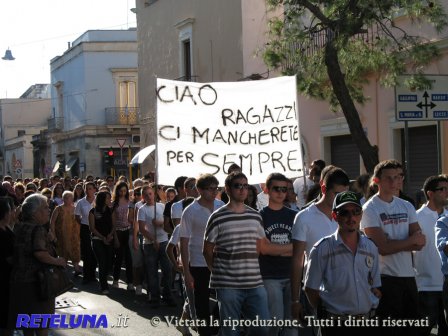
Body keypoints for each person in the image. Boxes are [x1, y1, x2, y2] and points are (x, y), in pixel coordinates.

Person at [203, 172, 288, 336]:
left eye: (245, 186)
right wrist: (218, 273)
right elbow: (207, 250)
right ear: (227, 189)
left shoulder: (255, 216)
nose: (242, 190)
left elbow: (260, 246)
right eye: (237, 186)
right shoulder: (217, 217)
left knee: (263, 328)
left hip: (254, 284)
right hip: (228, 286)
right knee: (231, 331)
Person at [361, 159, 425, 336]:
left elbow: (420, 244)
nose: (394, 181)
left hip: (409, 277)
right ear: (376, 181)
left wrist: (396, 242)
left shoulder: (406, 205)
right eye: (389, 178)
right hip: (385, 279)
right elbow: (382, 248)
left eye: (398, 177)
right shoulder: (369, 209)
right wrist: (409, 240)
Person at [304, 191, 381, 336]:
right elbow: (310, 289)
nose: (351, 217)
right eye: (344, 212)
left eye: (356, 211)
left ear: (361, 214)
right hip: (335, 326)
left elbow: (375, 286)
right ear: (335, 216)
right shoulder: (322, 249)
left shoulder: (371, 247)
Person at [290, 166, 350, 332]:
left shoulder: (349, 216)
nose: (341, 200)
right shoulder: (304, 217)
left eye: (344, 195)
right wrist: (295, 301)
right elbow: (297, 260)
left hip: (346, 290)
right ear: (324, 189)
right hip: (316, 293)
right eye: (337, 195)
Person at [8, 194, 67, 336]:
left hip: (19, 281)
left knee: (27, 325)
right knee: (41, 326)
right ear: (35, 212)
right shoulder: (38, 229)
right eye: (46, 208)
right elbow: (40, 253)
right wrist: (58, 261)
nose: (49, 210)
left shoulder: (19, 226)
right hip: (38, 284)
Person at [180, 174, 225, 336]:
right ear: (199, 190)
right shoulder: (190, 211)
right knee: (201, 304)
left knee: (226, 299)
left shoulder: (222, 206)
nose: (214, 192)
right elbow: (183, 242)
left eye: (216, 188)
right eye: (210, 189)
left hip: (221, 262)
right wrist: (186, 271)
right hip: (198, 264)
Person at [259, 173, 295, 336]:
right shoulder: (259, 216)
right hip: (269, 276)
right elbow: (263, 249)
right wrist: (289, 249)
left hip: (292, 275)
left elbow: (301, 249)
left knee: (291, 325)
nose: (281, 193)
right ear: (267, 190)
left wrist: (275, 249)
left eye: (284, 189)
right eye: (276, 189)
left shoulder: (294, 216)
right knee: (274, 322)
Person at [415, 175, 448, 336]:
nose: (446, 192)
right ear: (430, 193)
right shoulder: (416, 217)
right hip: (426, 286)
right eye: (442, 189)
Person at [138, 184, 175, 307]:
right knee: (152, 272)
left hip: (164, 241)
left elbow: (167, 222)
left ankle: (168, 295)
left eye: (150, 193)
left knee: (167, 270)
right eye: (146, 194)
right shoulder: (142, 209)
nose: (149, 196)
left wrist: (159, 223)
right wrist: (153, 240)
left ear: (154, 194)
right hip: (150, 244)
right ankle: (154, 297)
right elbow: (142, 229)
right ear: (143, 196)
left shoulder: (161, 206)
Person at [89, 191, 115, 294]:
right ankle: (103, 286)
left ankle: (105, 279)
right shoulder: (93, 211)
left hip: (109, 239)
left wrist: (110, 235)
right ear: (102, 199)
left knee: (109, 261)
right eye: (108, 198)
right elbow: (92, 228)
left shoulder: (111, 210)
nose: (110, 200)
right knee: (102, 262)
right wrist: (102, 237)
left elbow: (114, 225)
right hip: (97, 240)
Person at [50, 191, 81, 276]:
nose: (67, 199)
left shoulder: (75, 208)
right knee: (63, 251)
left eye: (69, 197)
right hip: (61, 235)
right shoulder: (58, 209)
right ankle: (62, 270)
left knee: (75, 251)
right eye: (65, 197)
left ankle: (76, 268)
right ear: (63, 198)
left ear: (72, 198)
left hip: (74, 235)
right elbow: (52, 222)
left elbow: (79, 221)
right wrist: (53, 234)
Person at [111, 181, 133, 290]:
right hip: (118, 231)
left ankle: (130, 282)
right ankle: (115, 280)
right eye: (121, 190)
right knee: (119, 257)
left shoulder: (130, 201)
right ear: (117, 190)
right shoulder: (114, 203)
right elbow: (113, 222)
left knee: (129, 258)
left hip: (128, 230)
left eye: (125, 191)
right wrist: (115, 237)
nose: (123, 193)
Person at [75, 181, 98, 284]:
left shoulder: (98, 201)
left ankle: (93, 274)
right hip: (85, 228)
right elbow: (77, 216)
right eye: (87, 188)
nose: (88, 190)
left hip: (97, 229)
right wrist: (83, 223)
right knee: (86, 252)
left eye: (90, 188)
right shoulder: (81, 202)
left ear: (94, 189)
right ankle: (86, 275)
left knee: (94, 252)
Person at [0, 197, 14, 336]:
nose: (12, 213)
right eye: (10, 210)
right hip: (4, 275)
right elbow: (8, 257)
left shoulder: (6, 228)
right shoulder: (2, 233)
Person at [127, 186, 145, 296]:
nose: (138, 196)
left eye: (140, 193)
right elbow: (130, 219)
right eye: (136, 194)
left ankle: (143, 283)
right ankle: (137, 283)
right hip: (135, 235)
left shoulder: (152, 205)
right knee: (136, 262)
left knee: (146, 263)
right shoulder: (133, 205)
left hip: (146, 236)